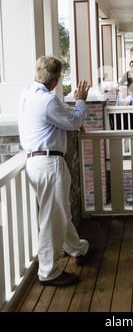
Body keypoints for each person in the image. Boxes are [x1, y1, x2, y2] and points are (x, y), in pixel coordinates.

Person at [18, 56, 95, 287]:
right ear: (58, 79)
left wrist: (71, 119)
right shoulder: (48, 100)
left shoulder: (27, 94)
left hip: (35, 162)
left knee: (60, 212)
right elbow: (71, 121)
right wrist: (81, 101)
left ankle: (79, 249)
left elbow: (59, 119)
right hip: (48, 163)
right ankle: (48, 271)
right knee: (53, 218)